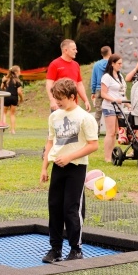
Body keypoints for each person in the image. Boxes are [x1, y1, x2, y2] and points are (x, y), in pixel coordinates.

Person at [40, 78, 98, 263]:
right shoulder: (54, 116)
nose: (57, 102)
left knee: (71, 209)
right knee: (55, 207)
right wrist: (44, 167)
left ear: (72, 97)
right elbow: (50, 142)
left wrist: (70, 157)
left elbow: (93, 145)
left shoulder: (85, 118)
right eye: (56, 98)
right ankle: (55, 249)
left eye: (61, 98)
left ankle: (76, 249)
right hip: (58, 166)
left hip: (76, 168)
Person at [46, 39, 91, 112]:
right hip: (59, 106)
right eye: (74, 49)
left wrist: (86, 100)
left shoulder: (76, 65)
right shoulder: (54, 64)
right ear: (65, 50)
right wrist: (52, 100)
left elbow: (79, 84)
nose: (76, 51)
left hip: (73, 105)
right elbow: (49, 84)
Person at [101, 54, 127, 162]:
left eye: (121, 63)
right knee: (110, 132)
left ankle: (113, 154)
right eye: (118, 63)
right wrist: (114, 100)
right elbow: (103, 93)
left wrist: (129, 104)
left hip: (119, 107)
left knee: (116, 133)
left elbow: (122, 93)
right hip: (109, 107)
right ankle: (107, 157)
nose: (120, 65)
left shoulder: (120, 76)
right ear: (112, 64)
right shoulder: (106, 77)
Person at [91, 46, 112, 135]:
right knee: (111, 111)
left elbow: (94, 79)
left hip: (99, 90)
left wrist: (93, 91)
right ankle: (112, 131)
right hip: (109, 90)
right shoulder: (112, 64)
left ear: (101, 54)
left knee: (98, 112)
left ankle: (96, 132)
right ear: (110, 52)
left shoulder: (96, 65)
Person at [1, 65, 23, 134]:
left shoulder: (6, 79)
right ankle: (12, 130)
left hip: (7, 96)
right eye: (19, 71)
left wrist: (3, 82)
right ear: (16, 72)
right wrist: (22, 99)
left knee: (4, 112)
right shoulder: (17, 81)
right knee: (12, 114)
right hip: (14, 97)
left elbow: (2, 87)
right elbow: (19, 92)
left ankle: (3, 127)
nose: (20, 73)